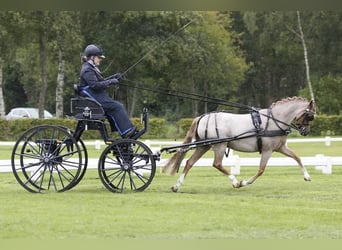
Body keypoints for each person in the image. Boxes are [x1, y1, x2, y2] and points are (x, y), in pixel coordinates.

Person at [79, 44, 138, 138]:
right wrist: (111, 81)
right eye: (99, 57)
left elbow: (101, 82)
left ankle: (125, 131)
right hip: (94, 99)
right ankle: (127, 132)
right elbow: (95, 85)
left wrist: (114, 77)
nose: (100, 59)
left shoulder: (90, 68)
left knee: (117, 106)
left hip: (97, 96)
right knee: (117, 106)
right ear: (92, 57)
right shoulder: (87, 70)